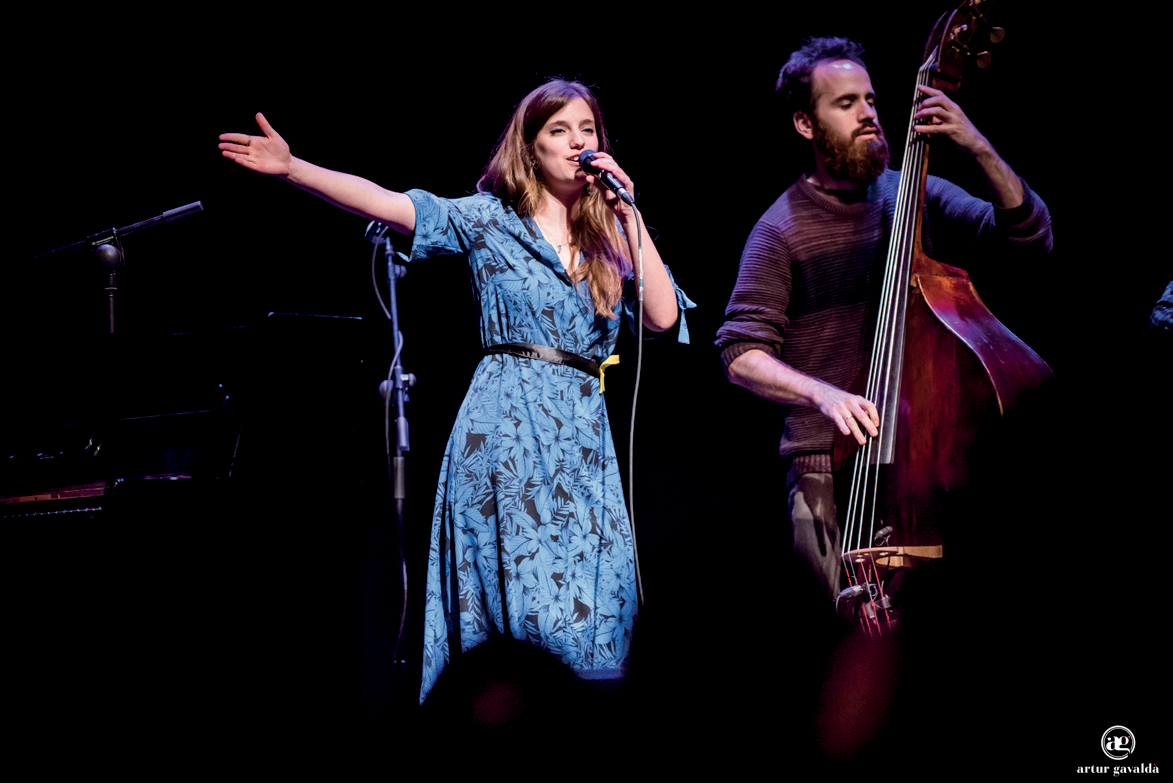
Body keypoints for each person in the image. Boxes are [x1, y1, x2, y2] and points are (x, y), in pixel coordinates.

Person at [219, 79, 692, 701]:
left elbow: (661, 316)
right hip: (506, 431)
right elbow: (394, 205)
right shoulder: (491, 218)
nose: (578, 143)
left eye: (588, 131)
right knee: (529, 613)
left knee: (598, 615)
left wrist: (630, 212)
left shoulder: (610, 239)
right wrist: (293, 169)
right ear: (530, 149)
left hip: (583, 448)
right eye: (559, 131)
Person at [715, 37, 1052, 599]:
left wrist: (978, 148)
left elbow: (1029, 240)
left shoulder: (914, 196)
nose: (869, 113)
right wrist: (825, 395)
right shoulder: (779, 229)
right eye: (845, 104)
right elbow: (740, 353)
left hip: (930, 466)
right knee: (831, 645)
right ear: (805, 123)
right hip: (829, 467)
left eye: (871, 100)